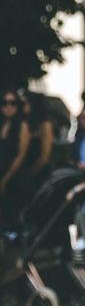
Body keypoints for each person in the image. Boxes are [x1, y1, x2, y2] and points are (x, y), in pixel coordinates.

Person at [0, 89, 30, 226]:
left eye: (12, 103)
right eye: (5, 103)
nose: (8, 106)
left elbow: (21, 155)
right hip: (2, 172)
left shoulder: (22, 126)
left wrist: (5, 179)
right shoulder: (3, 125)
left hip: (15, 178)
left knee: (13, 217)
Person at [20, 90, 55, 189]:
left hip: (39, 171)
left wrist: (29, 174)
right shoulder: (28, 123)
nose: (23, 105)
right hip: (27, 167)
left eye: (26, 102)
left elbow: (45, 156)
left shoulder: (45, 125)